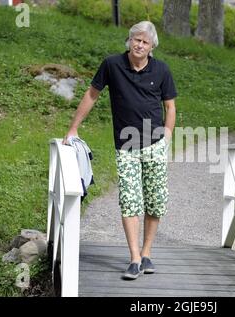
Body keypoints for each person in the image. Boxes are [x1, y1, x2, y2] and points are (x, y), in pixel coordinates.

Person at [63, 21, 177, 280]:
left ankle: (146, 253)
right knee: (129, 200)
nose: (139, 44)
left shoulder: (162, 70)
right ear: (129, 41)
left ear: (152, 47)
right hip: (126, 147)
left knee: (155, 202)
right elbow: (91, 95)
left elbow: (170, 107)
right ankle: (134, 258)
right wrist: (73, 129)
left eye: (145, 42)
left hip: (155, 145)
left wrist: (167, 137)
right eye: (136, 39)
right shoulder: (112, 65)